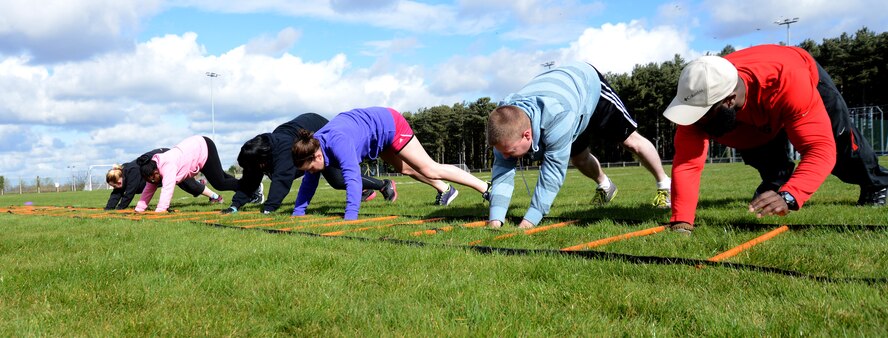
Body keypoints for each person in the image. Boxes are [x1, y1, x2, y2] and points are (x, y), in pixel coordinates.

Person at [663, 44, 888, 233]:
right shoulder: (699, 96)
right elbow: (687, 163)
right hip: (754, 107)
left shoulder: (786, 81)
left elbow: (819, 148)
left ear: (729, 100)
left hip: (803, 78)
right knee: (747, 140)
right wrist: (682, 221)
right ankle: (777, 179)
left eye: (701, 114)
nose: (694, 121)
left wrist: (791, 196)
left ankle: (875, 183)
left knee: (841, 146)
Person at [486, 61, 672, 229]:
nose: (507, 156)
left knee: (631, 141)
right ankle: (606, 187)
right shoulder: (505, 125)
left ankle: (665, 184)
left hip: (587, 84)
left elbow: (552, 174)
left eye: (510, 151)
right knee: (578, 158)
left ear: (527, 135)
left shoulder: (557, 117)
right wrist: (495, 220)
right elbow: (502, 172)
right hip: (566, 98)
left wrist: (529, 221)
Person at [290, 106, 490, 220]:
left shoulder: (337, 143)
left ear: (317, 157)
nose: (311, 173)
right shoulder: (313, 146)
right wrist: (298, 213)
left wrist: (350, 217)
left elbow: (353, 180)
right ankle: (445, 189)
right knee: (406, 169)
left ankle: (486, 188)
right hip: (375, 135)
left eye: (310, 169)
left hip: (389, 125)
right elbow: (309, 183)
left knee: (429, 167)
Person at [222, 113, 397, 214]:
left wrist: (269, 208)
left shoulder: (283, 150)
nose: (253, 170)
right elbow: (250, 179)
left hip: (319, 132)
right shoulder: (259, 153)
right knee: (317, 176)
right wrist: (235, 206)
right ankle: (364, 190)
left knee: (337, 180)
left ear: (261, 160)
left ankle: (383, 184)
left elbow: (282, 181)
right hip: (300, 143)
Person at [134, 135, 241, 213]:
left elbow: (167, 189)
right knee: (223, 177)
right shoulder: (152, 168)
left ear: (156, 172)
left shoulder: (167, 165)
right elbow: (148, 189)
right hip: (197, 149)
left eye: (153, 179)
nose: (153, 182)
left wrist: (161, 209)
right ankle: (249, 190)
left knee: (220, 183)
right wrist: (139, 209)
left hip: (203, 147)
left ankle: (250, 188)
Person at [105, 148, 219, 210]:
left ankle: (216, 197)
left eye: (118, 184)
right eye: (114, 186)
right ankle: (209, 191)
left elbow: (129, 194)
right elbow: (117, 193)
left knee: (189, 185)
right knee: (189, 185)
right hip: (153, 176)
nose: (117, 187)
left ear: (121, 176)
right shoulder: (122, 177)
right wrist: (109, 208)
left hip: (165, 162)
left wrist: (120, 209)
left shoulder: (132, 171)